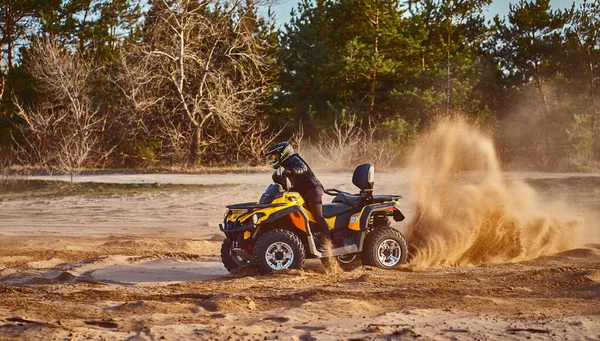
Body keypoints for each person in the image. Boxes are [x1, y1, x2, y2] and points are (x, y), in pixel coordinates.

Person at [265, 142, 330, 250]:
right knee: (305, 217)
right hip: (302, 193)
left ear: (282, 153)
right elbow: (288, 186)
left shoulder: (293, 159)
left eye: (275, 156)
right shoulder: (285, 165)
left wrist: (292, 171)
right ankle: (310, 240)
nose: (274, 158)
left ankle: (327, 242)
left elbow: (302, 168)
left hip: (313, 190)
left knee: (317, 215)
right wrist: (279, 180)